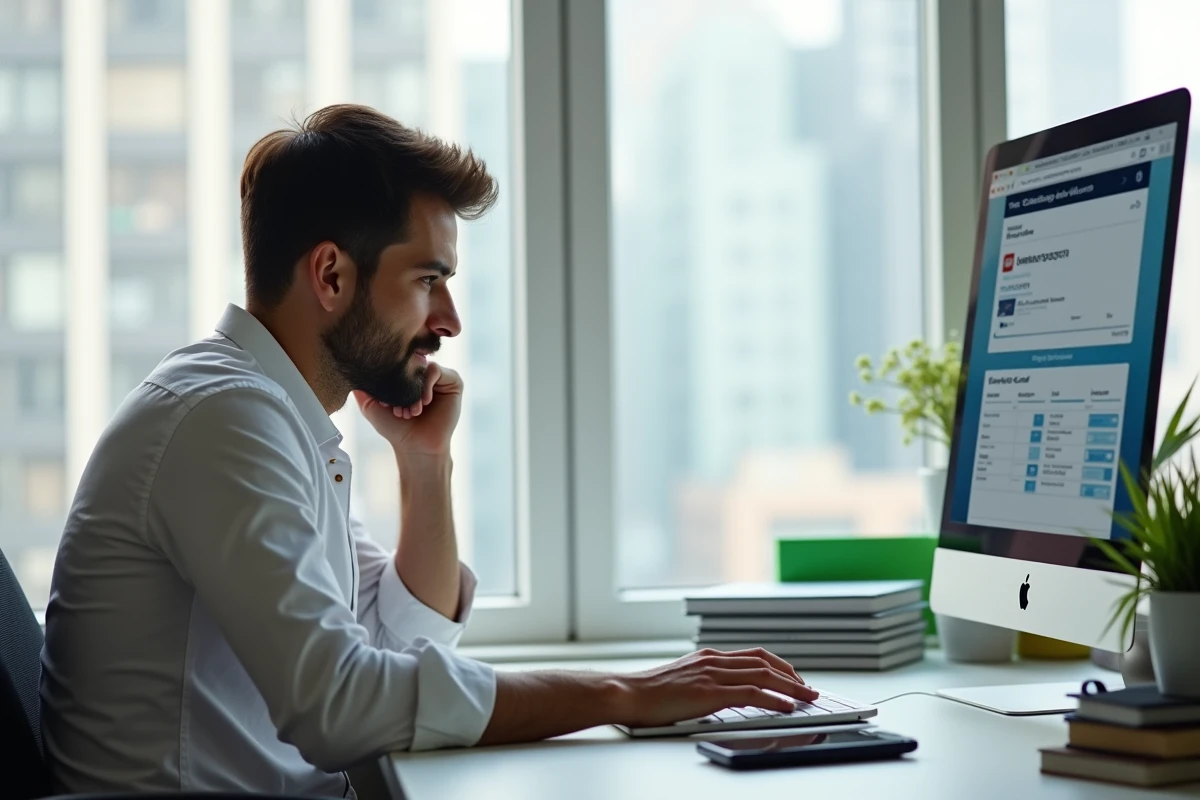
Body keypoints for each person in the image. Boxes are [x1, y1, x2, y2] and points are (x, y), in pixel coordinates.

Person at [40, 104, 816, 797]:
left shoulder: (271, 417)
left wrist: (425, 464)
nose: (448, 320)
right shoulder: (225, 421)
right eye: (427, 280)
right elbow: (341, 706)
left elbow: (398, 644)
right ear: (331, 275)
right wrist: (624, 694)